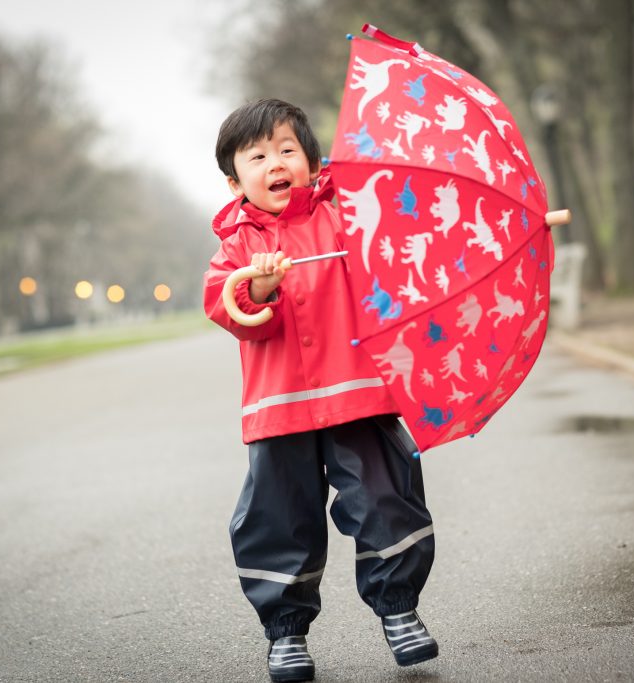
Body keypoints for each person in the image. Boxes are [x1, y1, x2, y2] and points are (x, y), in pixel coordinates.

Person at [202, 99, 438, 683]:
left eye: (286, 150)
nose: (274, 162)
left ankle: (399, 608)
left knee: (386, 497)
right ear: (236, 181)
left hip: (357, 393)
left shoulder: (348, 217)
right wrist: (256, 290)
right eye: (257, 157)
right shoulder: (237, 244)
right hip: (279, 410)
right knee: (277, 519)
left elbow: (390, 260)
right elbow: (222, 303)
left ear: (310, 160)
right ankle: (286, 631)